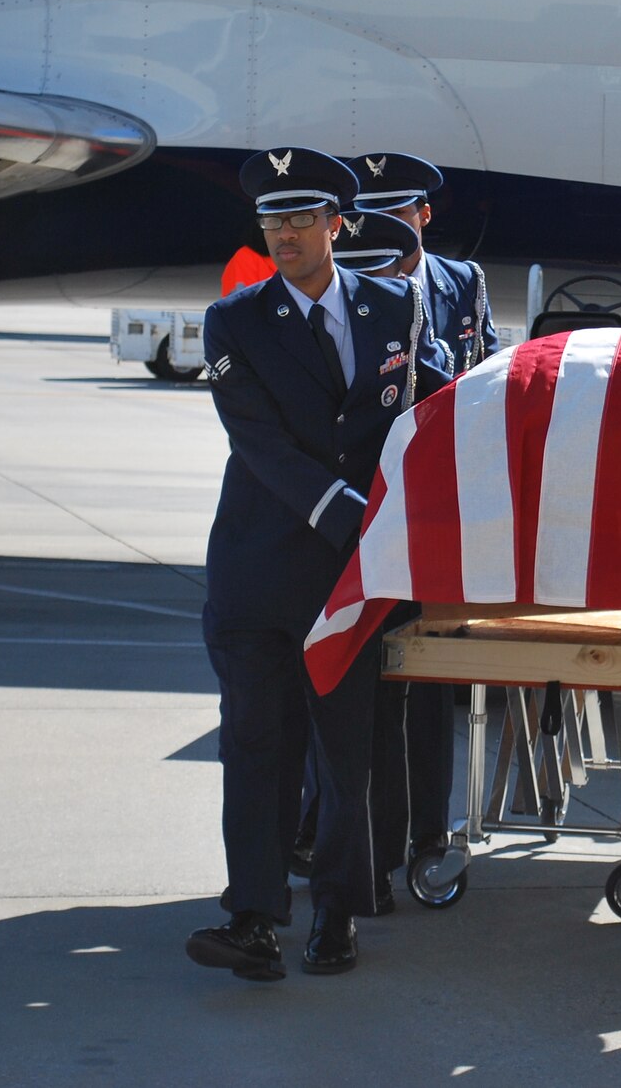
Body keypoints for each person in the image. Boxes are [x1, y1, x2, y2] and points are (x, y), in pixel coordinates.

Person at [186, 148, 446, 983]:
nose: (284, 233)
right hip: (263, 570)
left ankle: (337, 911)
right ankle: (254, 916)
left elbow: (419, 412)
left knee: (346, 755)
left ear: (337, 223)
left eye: (300, 217)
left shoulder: (396, 306)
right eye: (271, 219)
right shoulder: (235, 319)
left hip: (351, 580)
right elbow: (258, 441)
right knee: (257, 748)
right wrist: (352, 514)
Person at [293, 153, 498, 908]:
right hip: (353, 509)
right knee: (347, 676)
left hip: (431, 511)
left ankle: (425, 833)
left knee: (426, 684)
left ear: (423, 217)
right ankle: (339, 828)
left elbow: (479, 376)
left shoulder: (458, 284)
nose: (388, 225)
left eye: (401, 213)